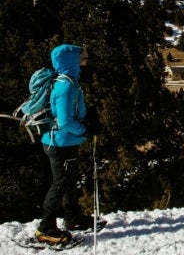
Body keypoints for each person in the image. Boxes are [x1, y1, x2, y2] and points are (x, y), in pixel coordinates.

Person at [35, 44, 97, 245]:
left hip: (65, 141)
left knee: (69, 180)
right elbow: (65, 122)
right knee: (60, 182)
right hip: (60, 142)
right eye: (83, 59)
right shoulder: (66, 86)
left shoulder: (69, 82)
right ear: (71, 61)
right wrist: (85, 129)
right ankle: (45, 228)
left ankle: (73, 217)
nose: (86, 62)